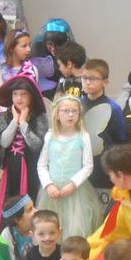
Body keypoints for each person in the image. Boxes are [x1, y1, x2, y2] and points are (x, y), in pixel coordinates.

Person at [36, 95, 102, 238]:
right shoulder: (50, 136)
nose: (70, 114)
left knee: (74, 229)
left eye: (74, 111)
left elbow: (88, 166)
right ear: (57, 115)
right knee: (51, 227)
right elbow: (41, 165)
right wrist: (48, 185)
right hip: (52, 193)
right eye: (66, 111)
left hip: (75, 192)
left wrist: (73, 184)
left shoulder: (82, 136)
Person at [0, 74, 48, 230]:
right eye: (15, 94)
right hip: (9, 167)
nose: (19, 98)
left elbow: (36, 145)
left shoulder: (39, 118)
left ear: (31, 97)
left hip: (31, 168)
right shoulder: (3, 116)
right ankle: (6, 234)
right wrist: (14, 121)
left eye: (24, 94)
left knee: (28, 201)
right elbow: (4, 142)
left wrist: (23, 123)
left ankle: (28, 234)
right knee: (8, 201)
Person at [80, 58, 128, 198]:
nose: (87, 82)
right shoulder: (76, 105)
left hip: (103, 167)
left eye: (93, 79)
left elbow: (120, 141)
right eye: (84, 78)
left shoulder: (114, 108)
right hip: (80, 166)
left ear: (105, 82)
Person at [0, 194, 36, 260]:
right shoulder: (8, 234)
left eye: (33, 207)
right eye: (30, 209)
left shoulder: (38, 227)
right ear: (17, 219)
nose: (36, 211)